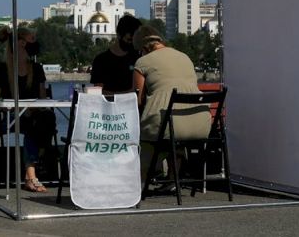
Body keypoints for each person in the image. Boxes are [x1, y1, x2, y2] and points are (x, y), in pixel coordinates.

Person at [132, 25, 211, 180]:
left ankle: (142, 179)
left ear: (143, 48)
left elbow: (138, 101)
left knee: (153, 128)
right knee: (173, 126)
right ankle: (173, 179)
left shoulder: (142, 62)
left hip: (169, 126)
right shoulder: (185, 57)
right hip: (201, 124)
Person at [0, 26, 55, 193]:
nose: (36, 43)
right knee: (33, 123)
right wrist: (16, 107)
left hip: (35, 116)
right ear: (21, 43)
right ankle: (34, 171)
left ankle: (30, 174)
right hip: (11, 117)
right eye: (32, 39)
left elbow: (42, 99)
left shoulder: (37, 68)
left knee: (46, 118)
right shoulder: (2, 69)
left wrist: (33, 108)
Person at [90, 14, 142, 95]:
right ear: (119, 35)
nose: (132, 43)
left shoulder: (138, 58)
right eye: (129, 40)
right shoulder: (101, 61)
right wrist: (125, 95)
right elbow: (98, 91)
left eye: (134, 40)